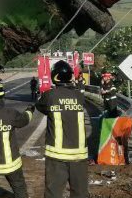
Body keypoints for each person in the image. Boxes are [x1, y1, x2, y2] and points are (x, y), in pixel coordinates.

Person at [37, 60, 89, 198]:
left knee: (53, 193)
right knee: (80, 193)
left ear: (55, 76)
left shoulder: (50, 96)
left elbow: (40, 106)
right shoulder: (79, 96)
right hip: (79, 155)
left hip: (57, 156)